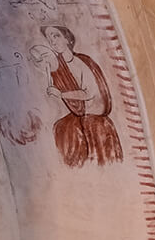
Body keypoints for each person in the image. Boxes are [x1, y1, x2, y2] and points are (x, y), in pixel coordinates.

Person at [36, 24, 122, 167]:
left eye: (56, 36)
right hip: (80, 115)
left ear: (67, 38)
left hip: (94, 115)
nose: (52, 41)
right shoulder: (58, 66)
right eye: (49, 38)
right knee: (61, 128)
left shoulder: (80, 62)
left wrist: (61, 94)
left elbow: (89, 92)